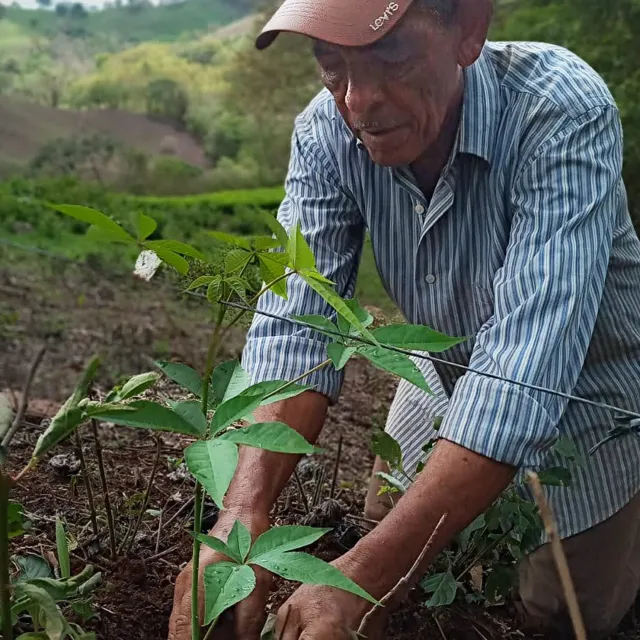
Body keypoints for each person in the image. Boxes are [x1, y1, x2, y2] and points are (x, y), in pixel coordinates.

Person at [168, 0, 640, 638]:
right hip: (441, 369)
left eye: (391, 56)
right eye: (333, 67)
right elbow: (296, 329)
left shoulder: (558, 108)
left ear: (469, 29)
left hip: (588, 392)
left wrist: (363, 582)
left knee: (553, 611)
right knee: (382, 527)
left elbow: (525, 369)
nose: (359, 102)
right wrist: (237, 522)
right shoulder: (325, 134)